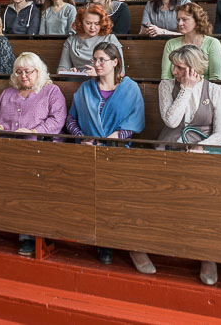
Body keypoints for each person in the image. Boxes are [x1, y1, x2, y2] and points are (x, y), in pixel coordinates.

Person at [66, 42, 147, 271]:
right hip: (89, 149)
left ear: (115, 62)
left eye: (102, 59)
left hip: (118, 150)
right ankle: (102, 243)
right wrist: (82, 137)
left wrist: (115, 137)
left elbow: (135, 120)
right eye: (95, 59)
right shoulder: (85, 88)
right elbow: (71, 118)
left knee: (117, 195)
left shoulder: (129, 88)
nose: (97, 64)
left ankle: (124, 242)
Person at [0, 52, 68, 256]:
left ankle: (29, 236)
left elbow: (57, 120)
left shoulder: (51, 91)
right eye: (18, 72)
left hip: (38, 151)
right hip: (7, 149)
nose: (23, 76)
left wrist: (34, 132)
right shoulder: (8, 93)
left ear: (38, 72)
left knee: (30, 190)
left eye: (28, 71)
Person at [156, 44, 221, 160]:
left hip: (200, 152)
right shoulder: (166, 86)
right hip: (169, 148)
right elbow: (171, 122)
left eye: (179, 67)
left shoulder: (216, 90)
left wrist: (201, 147)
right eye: (173, 66)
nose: (174, 71)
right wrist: (186, 89)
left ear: (194, 69)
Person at [160, 2, 221, 80]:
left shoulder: (212, 43)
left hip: (204, 89)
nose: (180, 23)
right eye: (178, 19)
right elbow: (165, 77)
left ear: (197, 20)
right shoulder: (171, 44)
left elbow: (215, 77)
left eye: (184, 19)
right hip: (175, 88)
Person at [58, 4, 124, 72]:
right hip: (76, 80)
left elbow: (121, 71)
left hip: (102, 80)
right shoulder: (71, 41)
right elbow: (62, 68)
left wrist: (97, 74)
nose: (92, 27)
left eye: (96, 23)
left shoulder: (110, 39)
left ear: (102, 23)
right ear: (81, 22)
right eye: (88, 23)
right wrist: (69, 71)